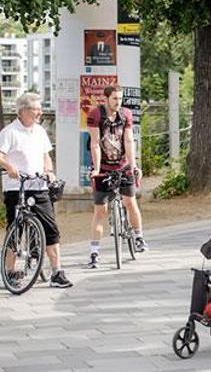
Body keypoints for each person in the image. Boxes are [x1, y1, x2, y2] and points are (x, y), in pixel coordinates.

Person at [0, 93, 73, 288]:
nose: (40, 112)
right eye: (36, 109)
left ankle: (57, 272)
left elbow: (46, 156)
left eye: (40, 109)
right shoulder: (9, 132)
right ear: (23, 111)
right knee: (16, 229)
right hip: (17, 188)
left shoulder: (40, 131)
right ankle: (10, 271)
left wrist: (49, 171)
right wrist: (9, 167)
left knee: (51, 229)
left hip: (39, 186)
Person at [86, 85, 147, 268]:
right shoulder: (95, 115)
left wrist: (134, 166)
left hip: (122, 166)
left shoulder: (125, 114)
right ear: (106, 99)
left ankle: (138, 236)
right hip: (104, 166)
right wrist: (96, 169)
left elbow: (128, 140)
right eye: (114, 98)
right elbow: (95, 144)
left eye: (120, 98)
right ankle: (94, 252)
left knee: (130, 202)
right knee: (100, 211)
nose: (118, 102)